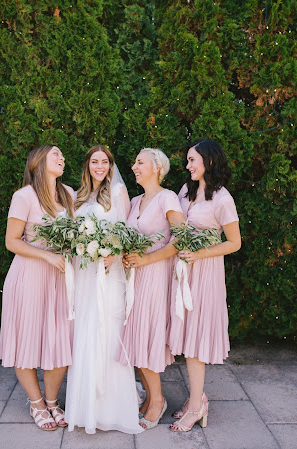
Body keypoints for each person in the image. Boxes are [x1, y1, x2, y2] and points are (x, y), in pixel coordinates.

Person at [65, 145, 143, 434]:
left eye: (105, 162)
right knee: (86, 331)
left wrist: (114, 253)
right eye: (94, 161)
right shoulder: (78, 197)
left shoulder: (119, 194)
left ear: (111, 166)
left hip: (110, 273)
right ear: (87, 165)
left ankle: (113, 408)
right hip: (85, 273)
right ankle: (85, 408)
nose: (99, 166)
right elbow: (73, 235)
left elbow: (128, 231)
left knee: (108, 332)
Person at [0, 145, 75, 431]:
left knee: (59, 341)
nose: (61, 157)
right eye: (55, 154)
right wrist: (46, 254)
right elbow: (11, 241)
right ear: (39, 162)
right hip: (29, 277)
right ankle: (37, 403)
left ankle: (53, 402)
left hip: (60, 280)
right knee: (26, 340)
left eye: (62, 155)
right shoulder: (24, 196)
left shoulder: (70, 195)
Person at [168, 138, 241, 433]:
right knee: (186, 337)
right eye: (187, 160)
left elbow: (234, 243)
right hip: (182, 272)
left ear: (208, 161)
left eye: (192, 160)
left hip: (206, 273)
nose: (187, 166)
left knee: (196, 340)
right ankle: (196, 397)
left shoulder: (222, 199)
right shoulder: (185, 191)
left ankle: (197, 407)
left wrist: (199, 253)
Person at [118, 148, 185, 430]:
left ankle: (156, 401)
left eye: (140, 162)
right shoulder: (135, 201)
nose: (134, 166)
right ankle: (151, 399)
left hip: (156, 275)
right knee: (135, 338)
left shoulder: (167, 197)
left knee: (145, 337)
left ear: (157, 167)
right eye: (134, 162)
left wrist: (146, 259)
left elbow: (181, 239)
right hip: (134, 277)